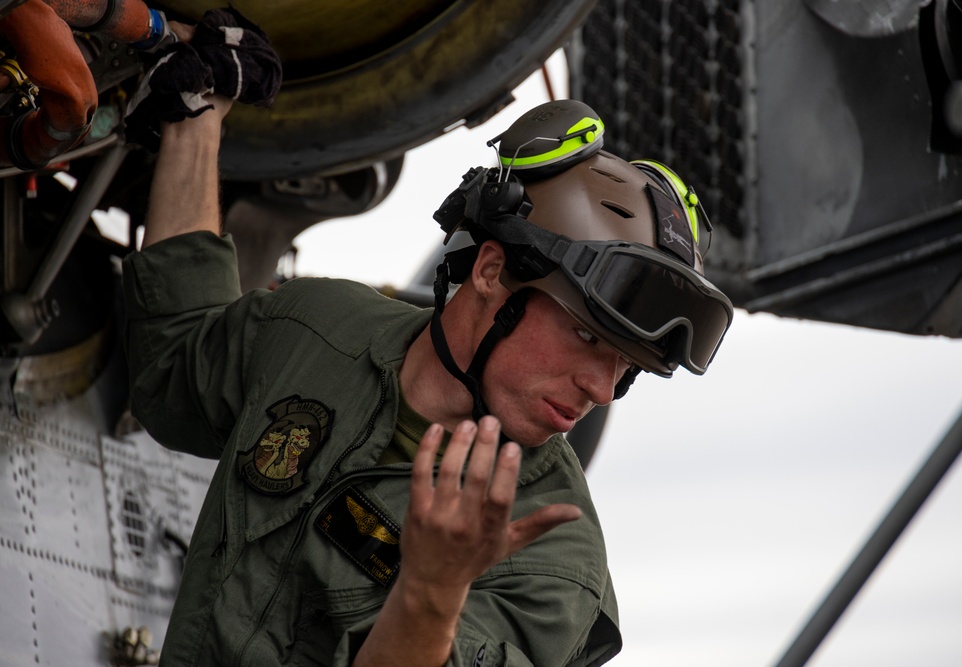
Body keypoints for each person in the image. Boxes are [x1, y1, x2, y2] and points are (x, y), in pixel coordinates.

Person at [123, 85, 733, 664]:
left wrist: (433, 591)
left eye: (625, 366)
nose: (601, 390)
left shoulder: (553, 558)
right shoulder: (314, 329)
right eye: (585, 336)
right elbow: (173, 364)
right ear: (492, 272)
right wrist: (195, 120)